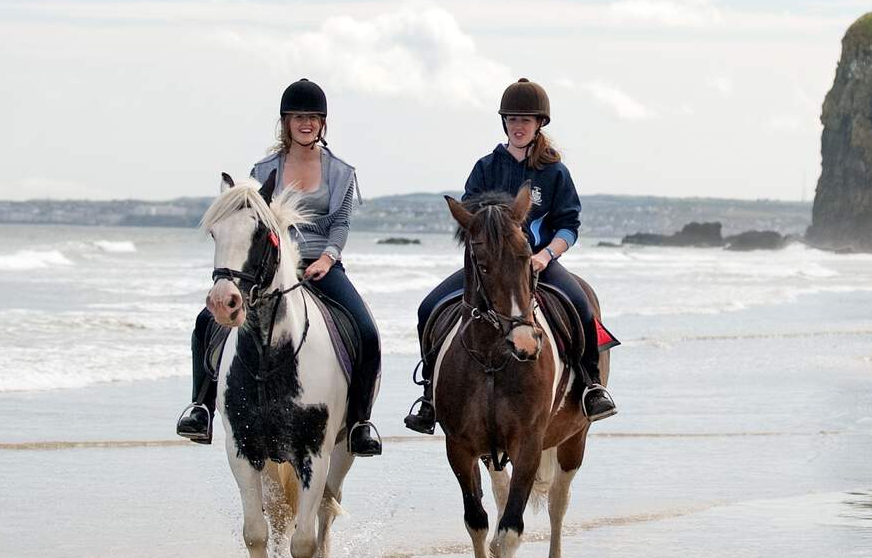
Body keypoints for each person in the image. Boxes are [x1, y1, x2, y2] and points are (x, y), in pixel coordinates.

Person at [176, 78, 384, 457]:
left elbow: (341, 222)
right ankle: (200, 407)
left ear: (323, 123)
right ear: (285, 122)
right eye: (297, 116)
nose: (305, 123)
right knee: (206, 323)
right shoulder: (263, 168)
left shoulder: (341, 172)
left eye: (313, 117)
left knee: (366, 331)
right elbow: (250, 221)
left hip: (321, 265)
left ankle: (360, 422)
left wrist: (328, 258)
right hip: (270, 269)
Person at [405, 78, 615, 433]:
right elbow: (469, 223)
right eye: (513, 120)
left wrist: (546, 255)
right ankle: (429, 395)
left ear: (539, 124)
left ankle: (591, 385)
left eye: (526, 120)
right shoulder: (486, 167)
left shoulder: (554, 172)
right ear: (504, 123)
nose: (519, 126)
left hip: (536, 264)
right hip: (489, 270)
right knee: (429, 308)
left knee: (583, 307)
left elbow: (569, 225)